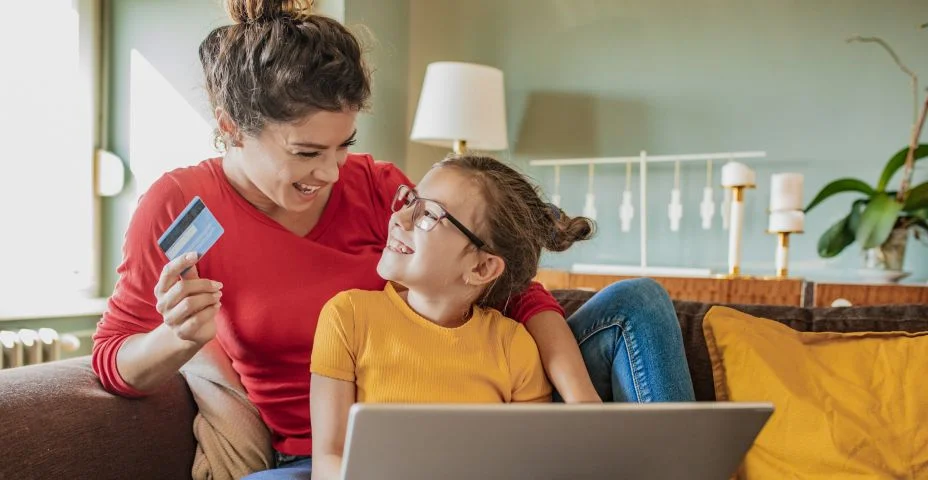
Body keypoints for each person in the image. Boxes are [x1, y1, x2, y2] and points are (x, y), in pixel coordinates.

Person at [91, 0, 694, 478]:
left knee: (638, 300)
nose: (331, 173)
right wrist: (174, 338)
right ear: (230, 128)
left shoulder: (380, 190)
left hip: (474, 413)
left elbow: (511, 289)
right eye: (306, 152)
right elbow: (113, 359)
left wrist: (579, 404)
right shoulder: (178, 205)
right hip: (327, 456)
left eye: (344, 144)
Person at [309, 154, 595, 480]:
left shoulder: (514, 347)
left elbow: (526, 466)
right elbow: (329, 460)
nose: (399, 218)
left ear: (482, 268)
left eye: (428, 214)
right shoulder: (348, 318)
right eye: (411, 199)